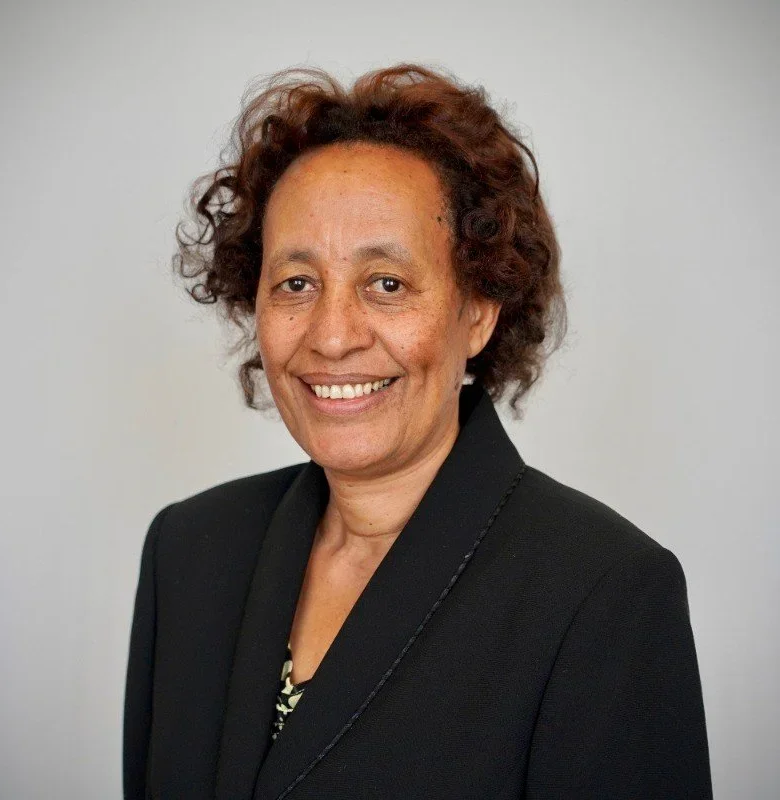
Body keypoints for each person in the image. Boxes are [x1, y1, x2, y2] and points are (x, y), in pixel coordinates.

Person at [123, 63, 712, 799]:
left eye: (387, 284)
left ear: (479, 311)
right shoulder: (189, 549)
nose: (332, 336)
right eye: (296, 283)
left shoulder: (603, 594)